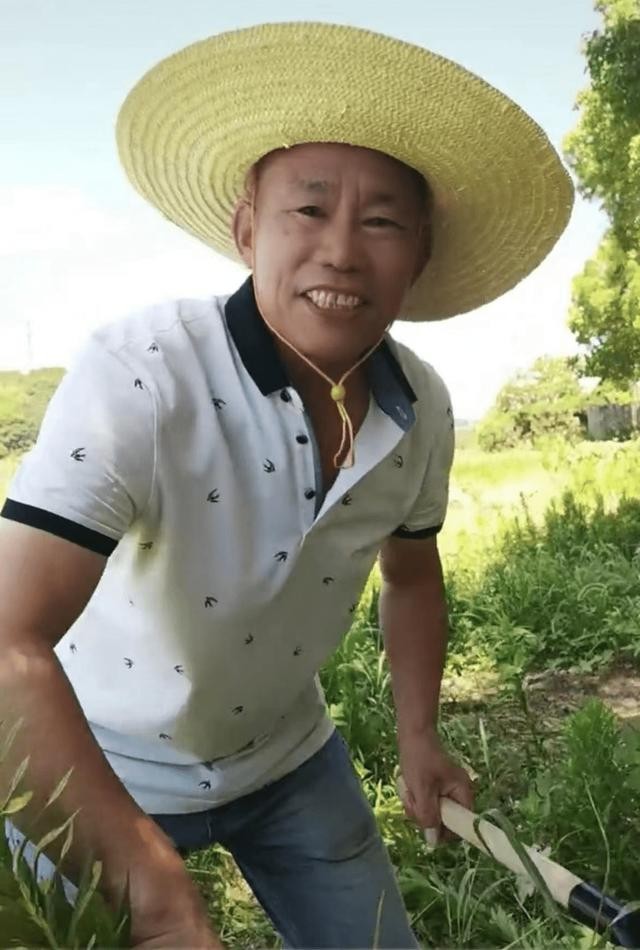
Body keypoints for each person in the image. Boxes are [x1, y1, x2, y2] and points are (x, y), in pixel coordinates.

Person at [0, 21, 573, 949]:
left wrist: (419, 737)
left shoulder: (422, 406)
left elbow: (412, 574)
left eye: (381, 221)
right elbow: (7, 639)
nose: (341, 250)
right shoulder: (144, 374)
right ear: (246, 231)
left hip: (288, 759)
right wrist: (149, 885)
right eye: (308, 210)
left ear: (421, 254)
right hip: (95, 765)